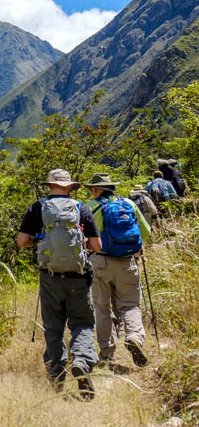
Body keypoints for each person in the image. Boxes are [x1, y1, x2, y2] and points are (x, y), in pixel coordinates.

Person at [18, 169, 102, 399]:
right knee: (82, 323)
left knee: (53, 327)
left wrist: (40, 239)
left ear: (50, 185)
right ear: (69, 187)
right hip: (78, 276)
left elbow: (22, 241)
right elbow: (97, 245)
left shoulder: (38, 207)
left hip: (50, 275)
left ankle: (56, 376)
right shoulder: (80, 208)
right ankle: (82, 362)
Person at [83, 173, 152, 368]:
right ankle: (134, 338)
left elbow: (80, 236)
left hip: (99, 262)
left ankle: (107, 352)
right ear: (112, 187)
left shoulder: (89, 207)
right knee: (130, 304)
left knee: (101, 307)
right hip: (127, 262)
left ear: (96, 189)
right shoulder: (129, 204)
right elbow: (145, 232)